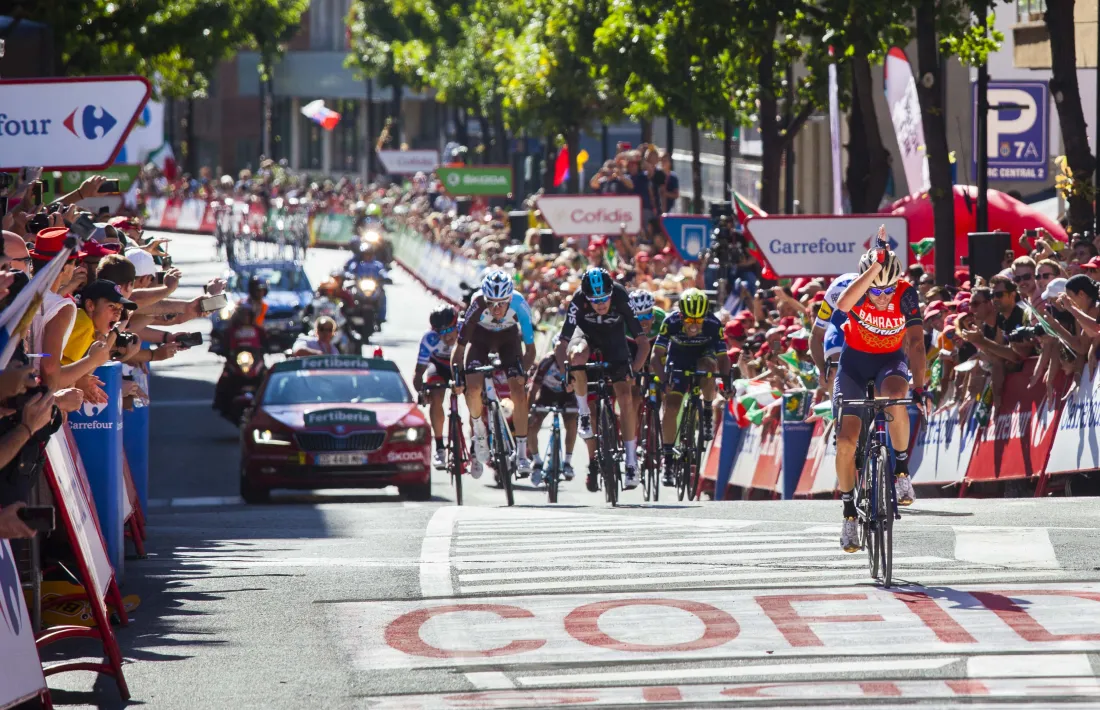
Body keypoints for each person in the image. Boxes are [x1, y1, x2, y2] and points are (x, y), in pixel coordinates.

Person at [833, 230, 928, 553]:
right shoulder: (858, 291)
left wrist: (921, 386)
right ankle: (848, 516)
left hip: (889, 362)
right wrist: (874, 270)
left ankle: (901, 470)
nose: (883, 295)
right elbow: (843, 305)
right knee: (846, 441)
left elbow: (916, 344)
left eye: (889, 288)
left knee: (895, 398)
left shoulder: (906, 294)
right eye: (877, 289)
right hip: (854, 366)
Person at [553, 267, 649, 491]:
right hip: (586, 338)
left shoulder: (621, 295)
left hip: (615, 343)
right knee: (577, 355)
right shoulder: (578, 300)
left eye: (604, 299)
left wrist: (633, 369)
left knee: (625, 396)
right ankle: (584, 414)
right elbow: (562, 344)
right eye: (594, 300)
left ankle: (632, 462)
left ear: (611, 293)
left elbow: (643, 343)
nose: (600, 304)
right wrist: (564, 372)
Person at [452, 270, 536, 479]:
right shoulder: (477, 303)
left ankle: (522, 452)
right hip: (480, 339)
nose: (496, 309)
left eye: (501, 303)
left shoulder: (519, 304)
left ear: (509, 299)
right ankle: (478, 431)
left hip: (509, 340)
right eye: (491, 303)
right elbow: (460, 347)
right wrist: (457, 375)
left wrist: (522, 374)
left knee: (518, 390)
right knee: (472, 388)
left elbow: (531, 350)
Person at [651, 288, 729, 486]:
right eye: (689, 321)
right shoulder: (671, 322)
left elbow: (723, 358)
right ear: (681, 316)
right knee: (672, 407)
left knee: (709, 367)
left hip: (703, 356)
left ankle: (707, 408)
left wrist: (727, 383)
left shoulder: (713, 324)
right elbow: (655, 355)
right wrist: (663, 381)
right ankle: (668, 459)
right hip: (678, 360)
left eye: (698, 321)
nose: (693, 326)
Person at [525, 337, 578, 487]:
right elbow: (533, 388)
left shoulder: (574, 362)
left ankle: (567, 462)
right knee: (532, 426)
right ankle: (536, 461)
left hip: (567, 395)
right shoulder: (547, 361)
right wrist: (529, 411)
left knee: (571, 423)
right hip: (546, 393)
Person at [414, 305, 460, 470]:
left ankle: (478, 440)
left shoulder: (466, 330)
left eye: (450, 332)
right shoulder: (429, 338)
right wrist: (421, 392)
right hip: (439, 365)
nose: (447, 338)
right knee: (436, 396)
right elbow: (419, 372)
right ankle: (440, 446)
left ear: (457, 325)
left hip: (460, 364)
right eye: (442, 334)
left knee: (473, 393)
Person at [809, 272, 857, 402]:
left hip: (866, 327)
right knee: (834, 372)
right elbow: (815, 335)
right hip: (839, 326)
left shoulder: (878, 291)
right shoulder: (836, 291)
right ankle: (837, 414)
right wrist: (822, 370)